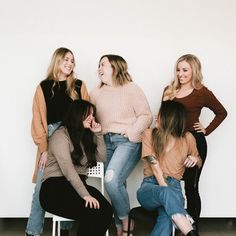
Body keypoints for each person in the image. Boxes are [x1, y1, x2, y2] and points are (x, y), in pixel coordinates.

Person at [26, 47, 89, 236]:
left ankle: (64, 231)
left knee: (69, 183)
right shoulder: (43, 87)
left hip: (75, 139)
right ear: (57, 62)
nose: (70, 64)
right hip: (52, 137)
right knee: (41, 187)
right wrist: (44, 149)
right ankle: (32, 232)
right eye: (66, 60)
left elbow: (88, 115)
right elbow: (38, 120)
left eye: (72, 61)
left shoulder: (79, 86)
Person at [162, 54, 227, 231]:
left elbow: (222, 112)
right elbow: (164, 117)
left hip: (194, 144)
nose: (180, 74)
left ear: (194, 71)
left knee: (191, 186)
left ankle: (192, 229)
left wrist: (207, 129)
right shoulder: (169, 90)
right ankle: (172, 225)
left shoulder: (202, 92)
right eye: (178, 69)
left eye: (185, 70)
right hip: (172, 144)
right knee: (169, 183)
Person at [90, 54, 153, 236]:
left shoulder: (131, 89)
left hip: (126, 141)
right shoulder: (95, 93)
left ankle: (126, 221)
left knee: (111, 180)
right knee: (117, 184)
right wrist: (96, 129)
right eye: (98, 65)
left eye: (103, 65)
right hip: (104, 142)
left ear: (115, 68)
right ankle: (120, 229)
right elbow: (90, 119)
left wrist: (132, 132)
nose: (99, 69)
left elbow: (146, 115)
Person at [39, 99, 113, 236]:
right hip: (54, 189)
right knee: (92, 211)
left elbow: (101, 158)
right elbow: (68, 170)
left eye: (93, 114)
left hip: (75, 185)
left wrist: (98, 133)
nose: (92, 118)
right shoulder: (60, 136)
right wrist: (85, 195)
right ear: (77, 114)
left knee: (107, 210)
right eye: (88, 114)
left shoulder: (84, 137)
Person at [137, 100, 202, 236]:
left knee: (167, 217)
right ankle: (186, 224)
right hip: (150, 188)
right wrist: (169, 195)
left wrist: (195, 159)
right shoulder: (148, 134)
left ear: (168, 118)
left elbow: (199, 162)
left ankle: (178, 216)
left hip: (174, 187)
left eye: (159, 114)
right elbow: (156, 169)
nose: (156, 116)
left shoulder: (187, 138)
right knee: (166, 193)